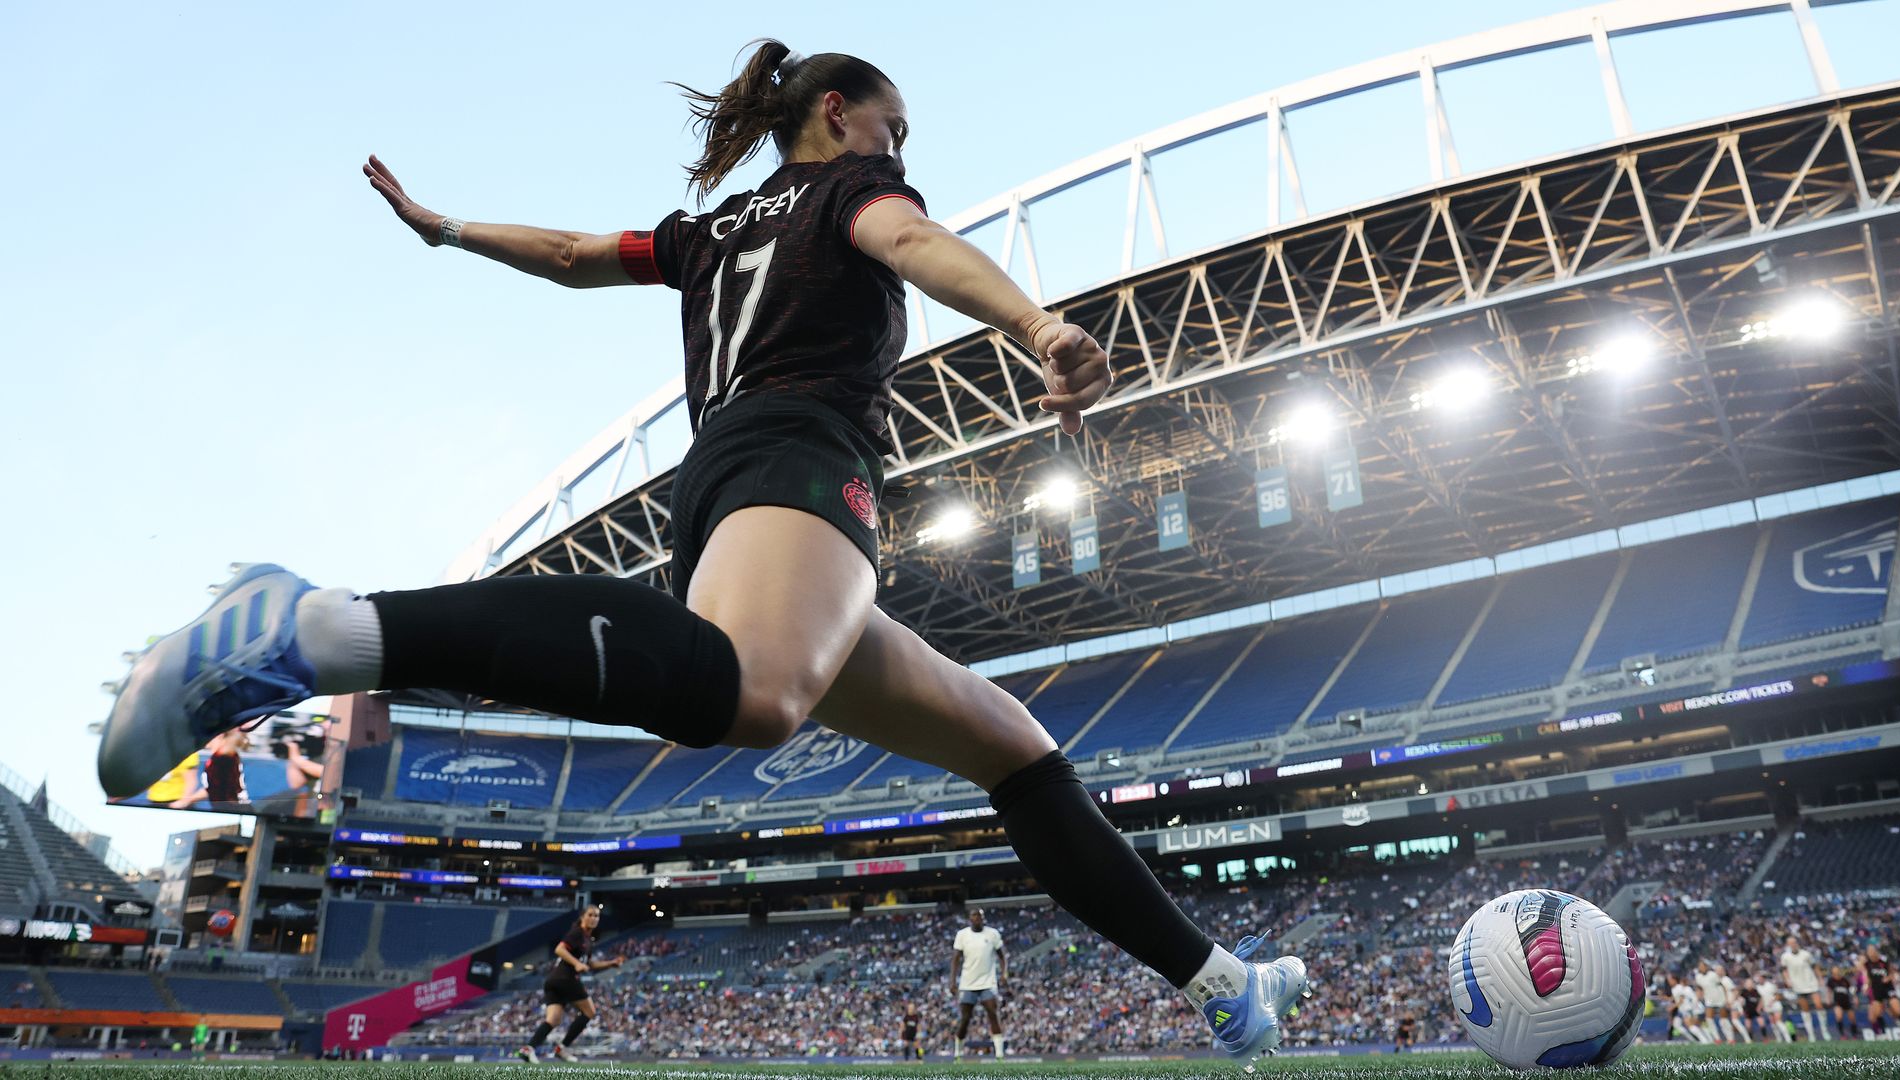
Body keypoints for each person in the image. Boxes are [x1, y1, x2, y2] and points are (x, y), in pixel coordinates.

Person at [95, 38, 1309, 1062]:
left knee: (1017, 752)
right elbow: (915, 247)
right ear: (837, 115)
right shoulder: (852, 193)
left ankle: (1224, 990)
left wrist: (452, 230)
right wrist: (1038, 321)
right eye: (895, 126)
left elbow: (576, 257)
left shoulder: (713, 229)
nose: (905, 151)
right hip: (798, 458)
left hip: (730, 479)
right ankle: (320, 631)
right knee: (762, 695)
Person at [518, 905, 623, 1063]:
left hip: (554, 980)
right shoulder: (577, 933)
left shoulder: (588, 939)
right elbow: (560, 949)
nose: (594, 918)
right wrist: (576, 964)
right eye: (591, 915)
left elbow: (589, 964)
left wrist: (610, 964)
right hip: (565, 978)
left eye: (597, 916)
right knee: (590, 1012)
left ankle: (528, 1049)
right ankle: (562, 1048)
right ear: (582, 916)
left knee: (553, 1019)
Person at [950, 908, 1008, 1059]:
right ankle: (958, 1051)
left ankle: (1000, 1053)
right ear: (970, 919)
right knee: (965, 1018)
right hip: (967, 983)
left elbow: (1002, 956)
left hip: (988, 982)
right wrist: (952, 981)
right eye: (974, 916)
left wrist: (1004, 972)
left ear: (983, 918)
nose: (977, 918)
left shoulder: (992, 934)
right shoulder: (962, 935)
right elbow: (955, 959)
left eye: (979, 916)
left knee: (993, 1013)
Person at [1780, 935, 1830, 1041]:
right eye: (1791, 943)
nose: (1793, 944)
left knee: (1819, 1005)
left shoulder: (1806, 954)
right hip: (1798, 985)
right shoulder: (1785, 957)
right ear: (1788, 945)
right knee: (1805, 1009)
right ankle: (1811, 1034)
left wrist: (1820, 978)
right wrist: (1787, 980)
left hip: (1811, 982)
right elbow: (1784, 970)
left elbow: (1814, 966)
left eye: (1794, 942)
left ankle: (1824, 1031)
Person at [1860, 944, 1900, 1040]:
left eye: (1872, 951)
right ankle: (1883, 1033)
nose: (1871, 953)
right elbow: (1867, 978)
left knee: (1897, 1009)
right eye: (1869, 951)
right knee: (1878, 1012)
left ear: (1876, 951)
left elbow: (1892, 972)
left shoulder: (1884, 961)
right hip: (1876, 989)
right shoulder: (1867, 964)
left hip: (1888, 988)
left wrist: (1888, 978)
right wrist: (1866, 986)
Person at [1829, 963, 1860, 1039]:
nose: (1836, 974)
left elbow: (1851, 990)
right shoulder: (1831, 981)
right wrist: (1829, 999)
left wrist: (1855, 998)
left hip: (1847, 1001)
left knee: (1852, 1018)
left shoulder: (1845, 980)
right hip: (1837, 1002)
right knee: (1839, 1016)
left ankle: (1854, 1035)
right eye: (1834, 973)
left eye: (1837, 972)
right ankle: (1842, 1035)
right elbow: (1829, 991)